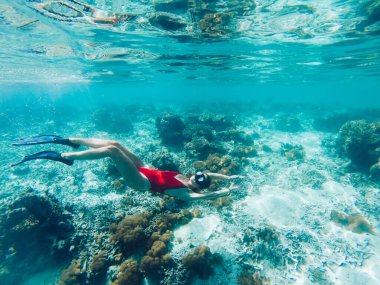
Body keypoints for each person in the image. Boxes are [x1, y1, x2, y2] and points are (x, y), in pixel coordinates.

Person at [11, 135, 243, 202]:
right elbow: (209, 176)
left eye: (197, 180)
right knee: (115, 144)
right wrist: (227, 175)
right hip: (145, 168)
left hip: (140, 182)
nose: (195, 176)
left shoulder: (187, 193)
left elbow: (207, 195)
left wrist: (225, 191)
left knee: (111, 152)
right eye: (198, 175)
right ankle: (70, 140)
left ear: (196, 188)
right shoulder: (192, 177)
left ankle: (63, 156)